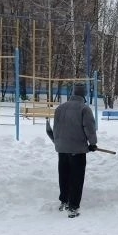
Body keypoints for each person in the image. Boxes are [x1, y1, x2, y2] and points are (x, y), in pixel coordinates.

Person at [47, 83, 98, 218]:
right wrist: (93, 144)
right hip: (77, 149)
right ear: (84, 94)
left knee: (64, 175)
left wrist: (58, 143)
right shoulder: (84, 109)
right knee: (76, 178)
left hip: (61, 148)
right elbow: (89, 128)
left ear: (73, 93)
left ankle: (64, 201)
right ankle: (73, 206)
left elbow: (56, 128)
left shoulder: (60, 108)